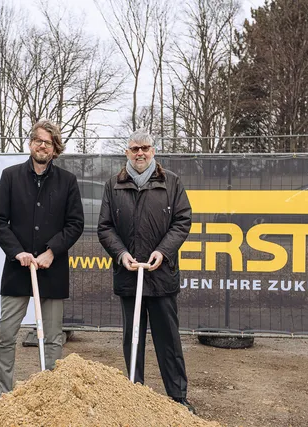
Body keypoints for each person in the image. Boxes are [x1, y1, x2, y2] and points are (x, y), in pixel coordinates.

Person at [97, 130, 195, 414]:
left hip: (161, 275)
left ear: (154, 151)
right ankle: (133, 393)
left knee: (168, 339)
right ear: (127, 153)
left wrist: (162, 252)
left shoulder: (171, 182)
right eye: (134, 149)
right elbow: (105, 227)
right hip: (129, 275)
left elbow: (182, 221)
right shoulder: (113, 185)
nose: (140, 153)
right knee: (133, 337)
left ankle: (177, 398)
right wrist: (122, 254)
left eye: (145, 148)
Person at [0, 119, 84, 396]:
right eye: (37, 140)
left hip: (52, 269)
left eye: (48, 142)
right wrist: (17, 251)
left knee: (53, 338)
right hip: (17, 269)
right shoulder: (10, 176)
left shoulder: (68, 181)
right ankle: (4, 394)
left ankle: (50, 393)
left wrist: (52, 251)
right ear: (31, 144)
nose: (42, 145)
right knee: (6, 336)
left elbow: (75, 224)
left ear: (55, 149)